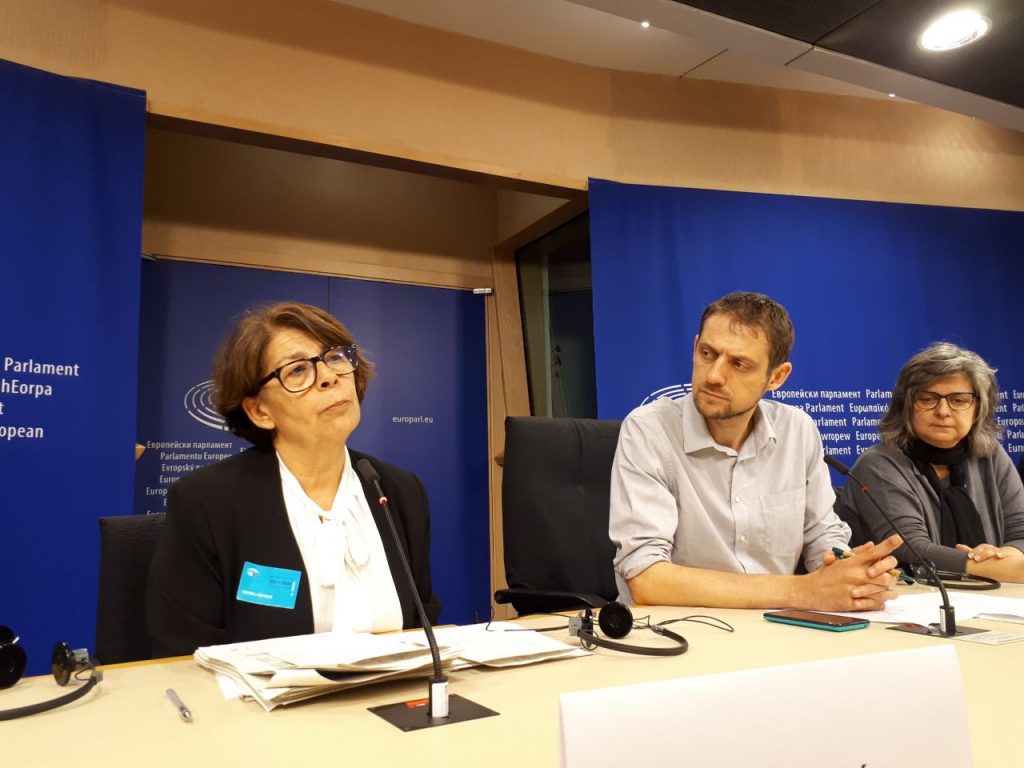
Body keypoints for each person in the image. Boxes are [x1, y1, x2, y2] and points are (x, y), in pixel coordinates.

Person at [147, 301, 440, 658]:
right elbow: (184, 654)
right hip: (259, 710)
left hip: (392, 704)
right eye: (298, 370)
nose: (329, 376)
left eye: (335, 358)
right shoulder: (208, 501)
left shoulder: (397, 489)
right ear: (259, 411)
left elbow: (422, 628)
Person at [609, 291, 901, 611]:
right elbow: (646, 578)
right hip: (680, 630)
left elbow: (822, 536)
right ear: (695, 347)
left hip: (775, 627)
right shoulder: (649, 430)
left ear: (777, 376)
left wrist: (853, 575)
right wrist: (802, 591)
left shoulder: (797, 430)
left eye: (739, 364)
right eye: (707, 353)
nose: (714, 376)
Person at [835, 342, 1024, 582]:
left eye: (959, 400)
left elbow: (1020, 530)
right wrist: (1002, 570)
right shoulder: (879, 464)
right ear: (906, 406)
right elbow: (912, 549)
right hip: (905, 599)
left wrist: (1004, 556)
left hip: (995, 597)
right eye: (927, 399)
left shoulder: (990, 456)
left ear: (978, 408)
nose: (943, 411)